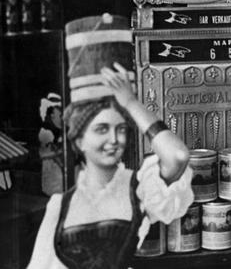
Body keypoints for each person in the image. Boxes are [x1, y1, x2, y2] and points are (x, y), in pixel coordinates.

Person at [27, 63, 194, 269]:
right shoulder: (60, 205)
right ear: (79, 141)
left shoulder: (138, 190)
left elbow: (177, 155)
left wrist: (131, 102)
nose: (114, 139)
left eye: (121, 129)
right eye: (102, 129)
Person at [38, 92, 64, 196]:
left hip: (63, 179)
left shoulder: (63, 130)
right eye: (60, 114)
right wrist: (62, 150)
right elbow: (42, 153)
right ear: (52, 114)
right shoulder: (46, 131)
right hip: (54, 180)